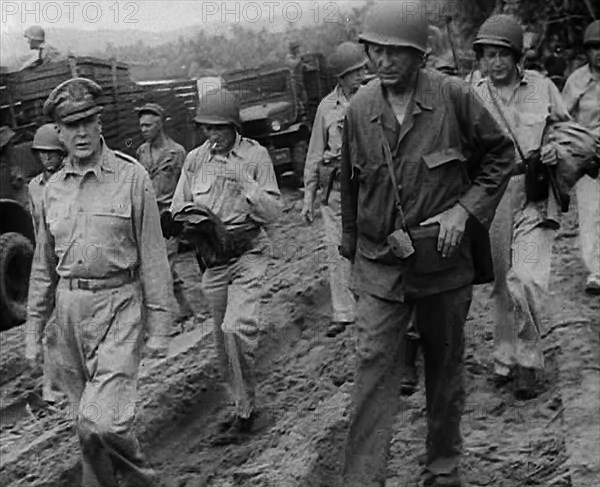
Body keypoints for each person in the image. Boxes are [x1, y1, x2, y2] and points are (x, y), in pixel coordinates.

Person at [338, 2, 514, 486]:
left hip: (441, 259)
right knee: (372, 365)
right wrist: (351, 253)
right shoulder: (358, 109)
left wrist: (464, 210)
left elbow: (501, 155)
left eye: (397, 52)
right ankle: (361, 479)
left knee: (443, 365)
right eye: (376, 50)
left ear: (419, 55)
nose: (384, 60)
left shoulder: (453, 96)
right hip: (380, 262)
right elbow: (351, 188)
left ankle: (442, 465)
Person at [24, 77, 174, 486]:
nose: (82, 132)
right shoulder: (51, 190)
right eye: (72, 126)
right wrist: (35, 328)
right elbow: (43, 264)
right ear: (60, 132)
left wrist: (160, 327)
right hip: (69, 315)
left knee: (104, 423)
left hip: (119, 307)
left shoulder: (131, 178)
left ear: (100, 122)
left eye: (88, 121)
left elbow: (153, 255)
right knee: (87, 433)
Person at [171, 88, 282, 443]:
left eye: (219, 128)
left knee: (236, 329)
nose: (213, 136)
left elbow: (273, 212)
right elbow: (178, 207)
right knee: (222, 341)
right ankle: (242, 408)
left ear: (235, 127)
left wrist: (245, 184)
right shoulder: (194, 160)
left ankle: (247, 412)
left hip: (248, 254)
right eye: (207, 129)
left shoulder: (255, 156)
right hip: (214, 261)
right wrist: (195, 222)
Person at [472, 15, 571, 391]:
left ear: (517, 57)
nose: (495, 63)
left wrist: (553, 149)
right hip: (495, 196)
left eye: (502, 55)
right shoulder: (474, 95)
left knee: (526, 278)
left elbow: (566, 129)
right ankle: (505, 356)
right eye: (487, 55)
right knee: (500, 283)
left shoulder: (543, 88)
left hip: (535, 193)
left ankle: (529, 360)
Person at [301, 42, 366, 338]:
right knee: (337, 251)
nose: (360, 77)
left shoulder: (372, 98)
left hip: (368, 187)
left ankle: (379, 306)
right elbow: (315, 154)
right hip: (337, 192)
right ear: (340, 78)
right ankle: (343, 312)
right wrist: (307, 197)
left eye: (362, 70)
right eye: (353, 73)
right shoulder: (326, 108)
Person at [135, 102, 195, 328]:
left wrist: (185, 212)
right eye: (141, 126)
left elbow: (187, 183)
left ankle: (159, 321)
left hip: (169, 217)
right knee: (160, 267)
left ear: (159, 125)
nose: (143, 130)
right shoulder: (141, 151)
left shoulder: (177, 152)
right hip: (149, 216)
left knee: (163, 268)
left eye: (148, 125)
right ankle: (186, 308)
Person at [27, 123, 66, 404]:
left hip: (71, 257)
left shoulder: (70, 181)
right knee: (50, 327)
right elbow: (36, 224)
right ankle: (51, 387)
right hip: (48, 258)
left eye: (52, 153)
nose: (47, 158)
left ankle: (54, 387)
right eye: (42, 153)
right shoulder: (34, 187)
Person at [562, 19, 600, 295]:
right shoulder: (577, 81)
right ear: (586, 52)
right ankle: (596, 272)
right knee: (591, 213)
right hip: (591, 159)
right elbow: (562, 121)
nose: (599, 53)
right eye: (594, 48)